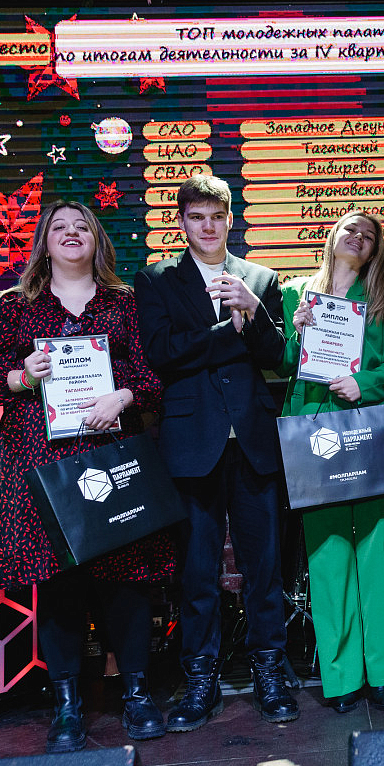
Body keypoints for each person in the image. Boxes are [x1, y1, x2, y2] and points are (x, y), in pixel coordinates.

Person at [0, 200, 169, 753]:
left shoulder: (125, 304)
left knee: (125, 578)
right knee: (58, 582)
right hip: (37, 460)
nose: (72, 233)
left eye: (83, 226)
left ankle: (137, 695)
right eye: (59, 227)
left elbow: (154, 375)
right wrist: (20, 376)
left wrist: (125, 395)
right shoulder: (15, 306)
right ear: (44, 243)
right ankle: (67, 706)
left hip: (112, 452)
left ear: (97, 240)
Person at [134, 174, 298, 727]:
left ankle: (270, 673)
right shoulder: (156, 279)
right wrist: (231, 332)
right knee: (198, 571)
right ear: (182, 223)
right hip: (190, 443)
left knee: (263, 568)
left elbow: (276, 357)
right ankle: (200, 681)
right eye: (196, 217)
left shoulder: (260, 278)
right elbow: (161, 354)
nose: (207, 226)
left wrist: (254, 313)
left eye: (216, 217)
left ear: (231, 220)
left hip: (252, 440)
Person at [279, 211, 384, 713]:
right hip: (313, 431)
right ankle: (340, 678)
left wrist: (365, 383)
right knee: (328, 556)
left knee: (382, 551)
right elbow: (284, 363)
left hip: (368, 429)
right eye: (350, 229)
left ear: (376, 248)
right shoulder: (295, 293)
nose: (358, 237)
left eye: (369, 235)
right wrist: (296, 334)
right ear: (332, 236)